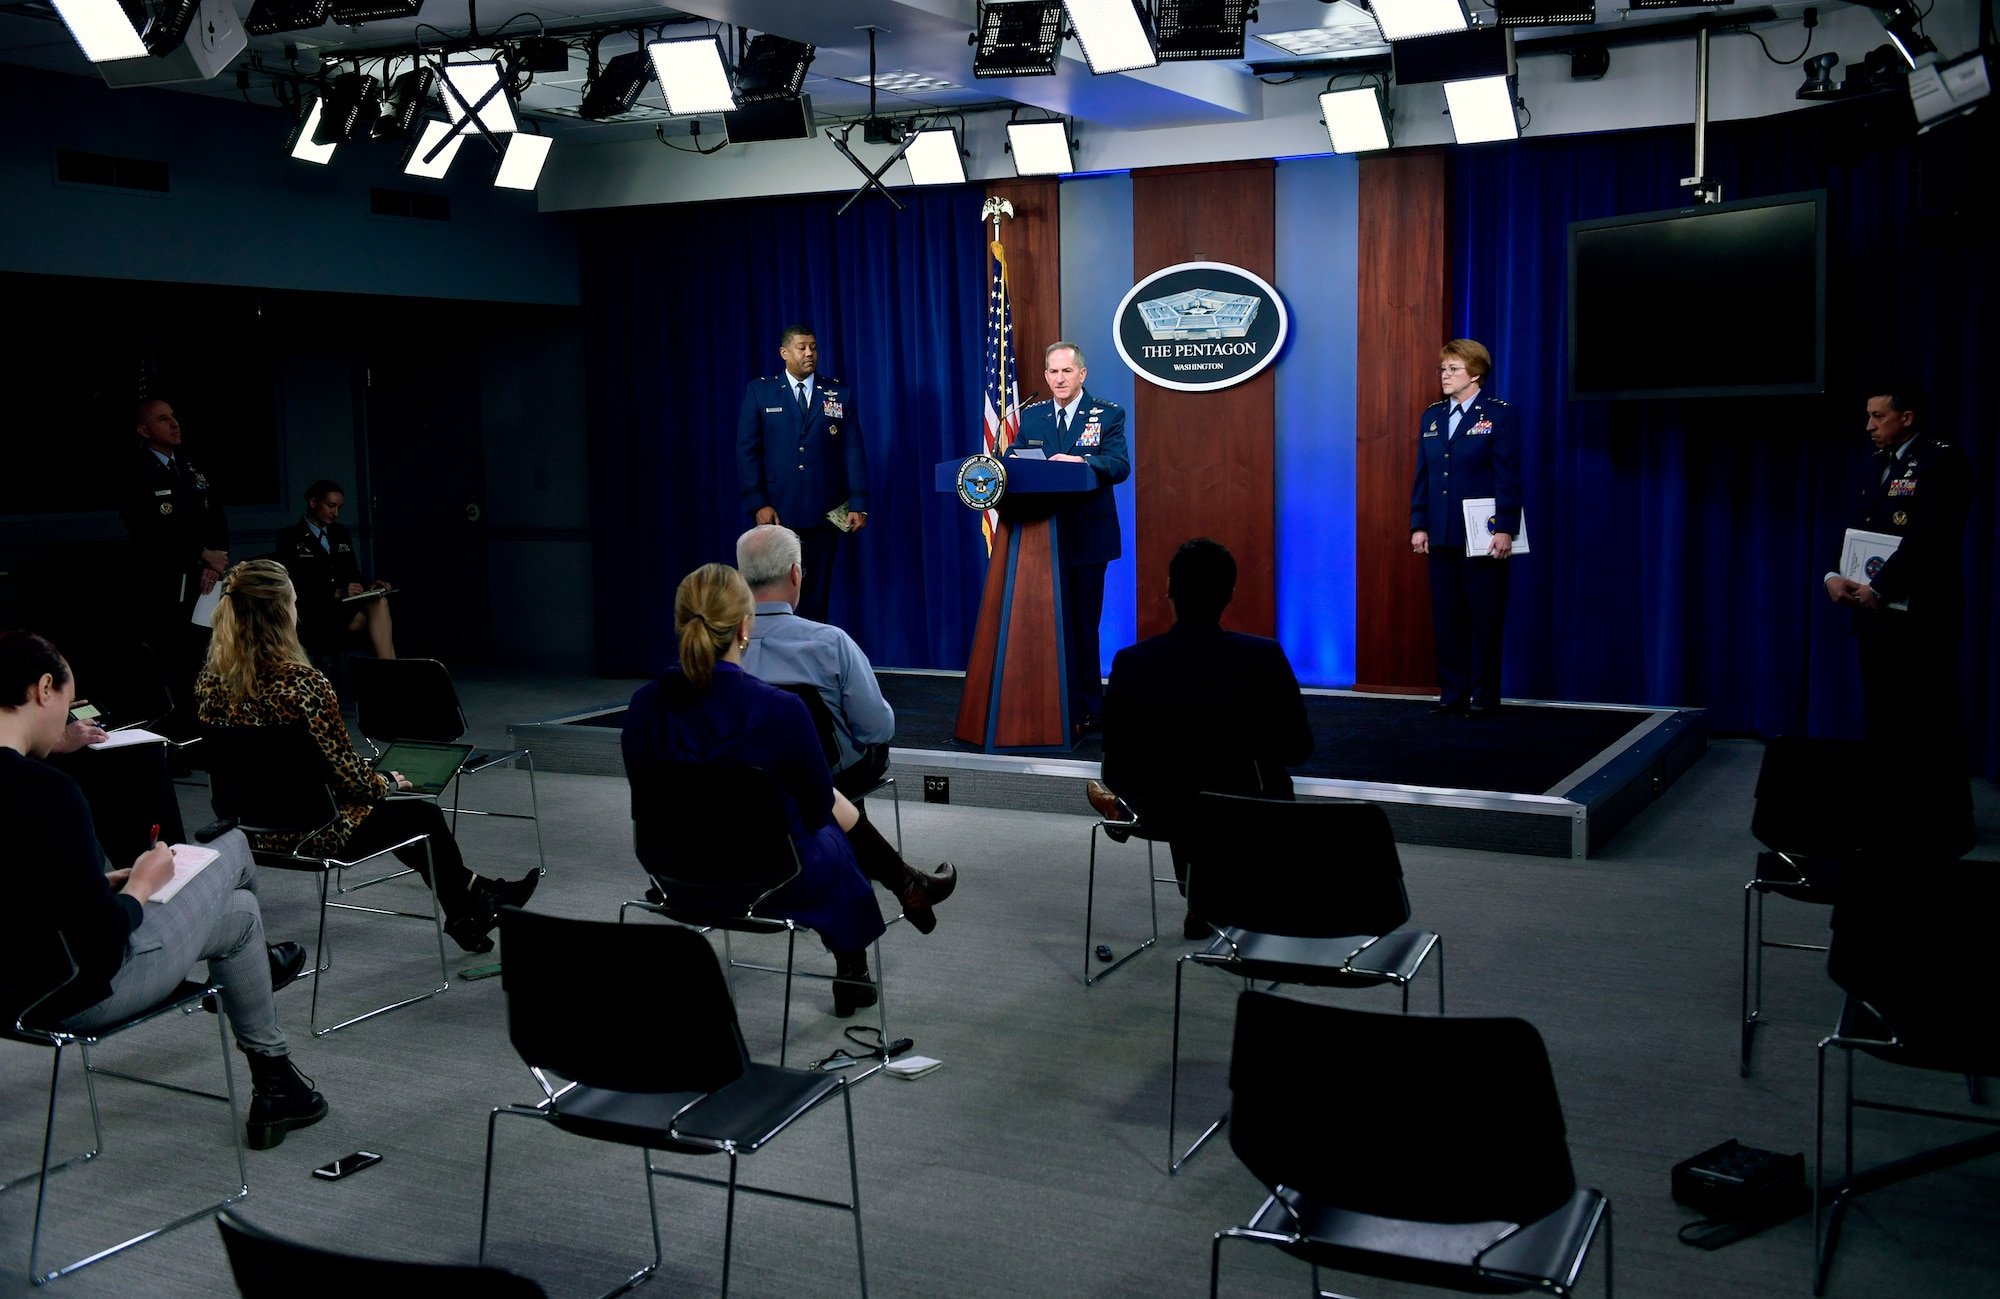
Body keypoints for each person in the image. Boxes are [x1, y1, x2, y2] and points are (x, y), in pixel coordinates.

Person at [0, 630, 327, 1151]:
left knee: (239, 917)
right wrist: (142, 885)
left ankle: (278, 1081)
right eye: (66, 701)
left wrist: (96, 885)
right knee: (233, 851)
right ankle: (264, 990)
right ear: (44, 689)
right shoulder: (47, 792)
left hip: (7, 990)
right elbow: (106, 941)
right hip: (77, 992)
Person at [621, 563, 954, 1016]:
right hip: (770, 879)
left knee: (811, 813)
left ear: (681, 625)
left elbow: (645, 792)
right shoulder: (780, 711)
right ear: (744, 627)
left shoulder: (643, 706)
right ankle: (863, 950)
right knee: (831, 832)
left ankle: (905, 885)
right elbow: (818, 809)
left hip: (671, 872)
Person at [192, 560, 536, 954]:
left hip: (244, 826)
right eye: (293, 602)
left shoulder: (209, 680)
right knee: (420, 813)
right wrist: (386, 781)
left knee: (396, 815)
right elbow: (349, 779)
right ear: (281, 612)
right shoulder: (304, 684)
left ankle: (477, 897)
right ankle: (469, 906)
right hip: (314, 829)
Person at [1090, 539, 1314, 938]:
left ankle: (1199, 895)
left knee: (1184, 784)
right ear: (1229, 595)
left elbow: (1115, 764)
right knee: (1218, 788)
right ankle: (1212, 900)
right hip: (1248, 812)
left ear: (1169, 589)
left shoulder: (1130, 662)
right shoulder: (1262, 657)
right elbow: (1298, 750)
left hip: (1156, 810)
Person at [1821, 381, 1975, 856]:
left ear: (1907, 417)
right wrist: (1834, 574)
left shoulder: (1942, 461)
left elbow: (1932, 537)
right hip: (1875, 615)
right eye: (1867, 417)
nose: (1869, 426)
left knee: (1928, 715)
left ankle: (1946, 823)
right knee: (1884, 715)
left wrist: (1882, 588)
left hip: (1922, 614)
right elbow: (1857, 529)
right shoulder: (1876, 466)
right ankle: (1890, 813)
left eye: (1878, 417)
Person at [1007, 342, 1130, 733]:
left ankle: (1090, 705)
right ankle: (1049, 701)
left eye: (1066, 371)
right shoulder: (1034, 416)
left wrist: (1083, 460)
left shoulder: (1107, 414)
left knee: (1082, 624)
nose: (1059, 379)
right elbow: (1015, 458)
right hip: (1040, 535)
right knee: (1044, 624)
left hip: (1088, 534)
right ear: (1046, 376)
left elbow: (1120, 464)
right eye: (1052, 372)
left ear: (1082, 374)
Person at [736, 524, 895, 800]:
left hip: (740, 783)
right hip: (825, 787)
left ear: (740, 577)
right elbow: (876, 729)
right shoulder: (832, 643)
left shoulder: (713, 650)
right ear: (795, 574)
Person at [1409, 339, 1521, 716]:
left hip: (1482, 536)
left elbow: (1508, 476)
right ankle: (1452, 695)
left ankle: (1485, 697)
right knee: (1447, 619)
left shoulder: (1499, 415)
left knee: (1485, 618)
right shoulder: (1433, 416)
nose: (1445, 375)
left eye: (1453, 369)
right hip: (1440, 534)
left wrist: (1506, 527)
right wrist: (1419, 524)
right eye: (1443, 369)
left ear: (1475, 374)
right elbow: (1423, 476)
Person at [735, 326, 869, 624]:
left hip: (825, 510)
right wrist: (758, 503)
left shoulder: (838, 392)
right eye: (802, 347)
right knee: (774, 591)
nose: (810, 353)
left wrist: (858, 502)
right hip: (777, 511)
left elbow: (853, 451)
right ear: (784, 353)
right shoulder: (761, 391)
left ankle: (812, 658)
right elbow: (747, 451)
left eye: (814, 347)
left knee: (817, 592)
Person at [116, 398, 229, 729]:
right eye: (164, 419)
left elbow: (215, 515)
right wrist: (200, 554)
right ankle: (186, 732)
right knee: (179, 658)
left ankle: (211, 727)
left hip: (206, 577)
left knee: (211, 653)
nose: (174, 423)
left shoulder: (190, 464)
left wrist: (215, 561)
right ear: (144, 430)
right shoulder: (134, 470)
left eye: (174, 416)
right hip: (165, 579)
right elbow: (150, 529)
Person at [274, 479, 397, 659]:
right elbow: (295, 583)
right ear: (313, 502)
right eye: (331, 506)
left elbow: (352, 573)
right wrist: (336, 591)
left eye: (339, 507)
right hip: (315, 608)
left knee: (380, 602)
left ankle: (389, 673)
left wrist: (370, 586)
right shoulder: (289, 536)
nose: (335, 513)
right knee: (381, 620)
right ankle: (391, 674)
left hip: (344, 606)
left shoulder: (340, 533)